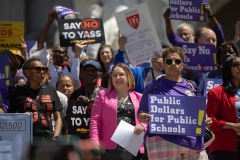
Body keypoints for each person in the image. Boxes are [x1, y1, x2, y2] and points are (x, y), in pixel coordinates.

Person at [137, 46, 210, 159]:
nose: (173, 64)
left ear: (182, 65)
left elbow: (201, 112)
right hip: (162, 142)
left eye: (177, 61)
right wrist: (143, 116)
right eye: (169, 61)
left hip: (193, 143)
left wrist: (206, 119)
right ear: (164, 64)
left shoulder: (192, 86)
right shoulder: (153, 85)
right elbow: (141, 113)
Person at [90, 63, 146, 160]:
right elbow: (95, 120)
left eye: (121, 74)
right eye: (114, 75)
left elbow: (148, 120)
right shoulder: (102, 95)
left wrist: (142, 126)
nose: (117, 77)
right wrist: (95, 143)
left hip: (133, 148)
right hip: (110, 149)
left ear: (128, 76)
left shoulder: (140, 97)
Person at [8, 58, 63, 145]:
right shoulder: (18, 92)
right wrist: (21, 116)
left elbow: (58, 118)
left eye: (44, 69)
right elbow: (10, 117)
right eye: (37, 69)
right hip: (25, 140)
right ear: (27, 73)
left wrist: (55, 137)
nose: (42, 72)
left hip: (47, 139)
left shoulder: (50, 90)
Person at [29, 9, 85, 88]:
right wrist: (49, 22)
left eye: (60, 52)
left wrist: (68, 26)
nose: (56, 54)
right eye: (54, 51)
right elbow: (40, 44)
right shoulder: (46, 65)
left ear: (66, 56)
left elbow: (73, 44)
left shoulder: (70, 66)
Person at [206, 55, 240, 160]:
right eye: (236, 65)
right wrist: (234, 126)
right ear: (227, 69)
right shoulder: (215, 93)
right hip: (225, 146)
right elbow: (211, 121)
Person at [69, 59, 104, 140]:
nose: (89, 73)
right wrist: (77, 104)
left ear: (100, 74)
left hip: (101, 138)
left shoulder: (107, 93)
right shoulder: (75, 94)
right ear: (81, 75)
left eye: (93, 70)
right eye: (86, 71)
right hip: (81, 140)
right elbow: (69, 121)